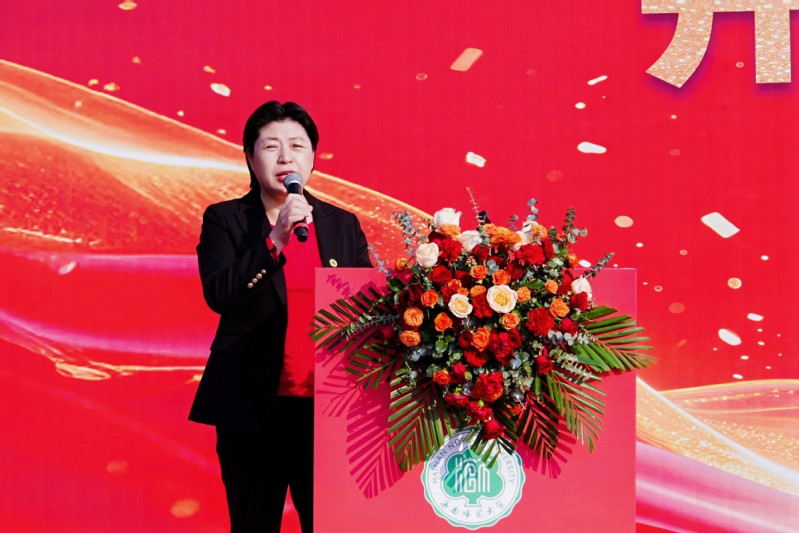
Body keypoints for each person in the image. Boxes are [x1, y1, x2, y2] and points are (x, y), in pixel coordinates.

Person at [189, 101, 372, 532]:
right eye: (271, 147)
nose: (285, 157)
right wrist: (275, 239)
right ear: (250, 158)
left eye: (297, 146)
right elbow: (221, 294)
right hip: (252, 409)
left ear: (313, 157)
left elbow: (367, 309)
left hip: (328, 411)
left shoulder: (342, 224)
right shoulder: (226, 219)